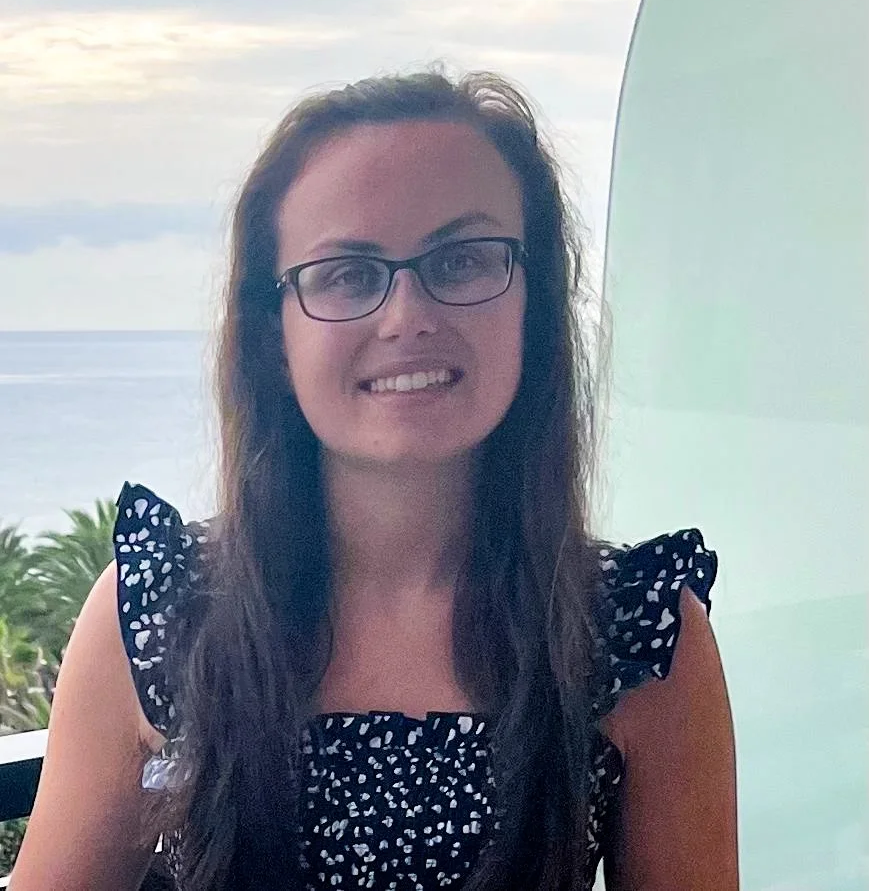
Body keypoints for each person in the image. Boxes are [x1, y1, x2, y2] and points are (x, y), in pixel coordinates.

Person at [10, 70, 738, 891]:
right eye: (348, 273)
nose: (408, 316)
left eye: (461, 261)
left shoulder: (638, 634)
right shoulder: (161, 612)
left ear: (534, 307)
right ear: (272, 334)